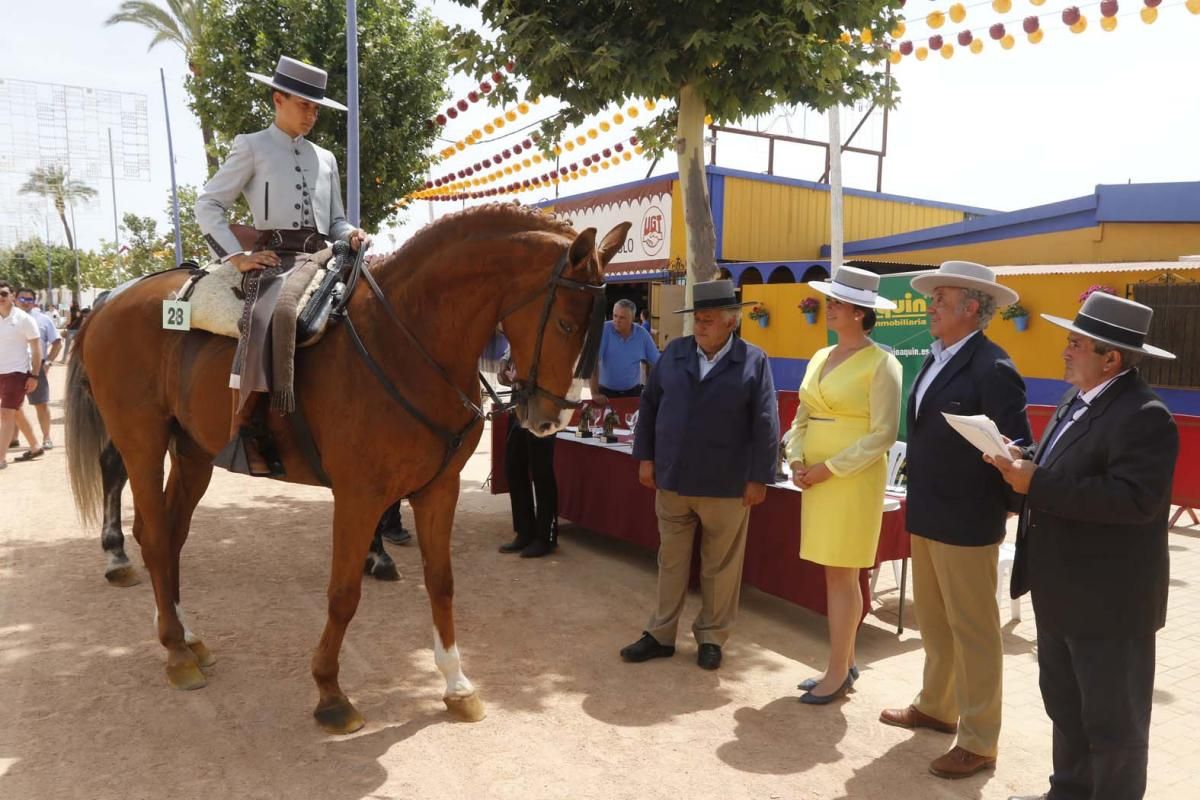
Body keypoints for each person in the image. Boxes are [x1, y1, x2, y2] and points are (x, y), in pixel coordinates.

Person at [988, 293, 1178, 800]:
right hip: (1061, 593)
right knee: (1067, 710)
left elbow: (1134, 501)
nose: (1065, 351)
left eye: (1076, 343)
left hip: (1110, 606)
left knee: (1114, 729)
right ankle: (1067, 792)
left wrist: (1038, 482)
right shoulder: (1078, 400)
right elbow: (1061, 464)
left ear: (1111, 358)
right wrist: (1018, 457)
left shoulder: (1145, 415)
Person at [879, 261, 1031, 780]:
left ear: (972, 307)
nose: (930, 306)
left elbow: (1019, 446)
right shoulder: (934, 357)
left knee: (975, 632)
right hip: (928, 509)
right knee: (935, 622)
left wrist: (1007, 470)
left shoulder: (993, 367)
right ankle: (937, 707)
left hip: (968, 519)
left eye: (940, 299)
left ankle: (980, 740)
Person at [196, 55, 369, 476]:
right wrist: (237, 258)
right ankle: (247, 425)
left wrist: (350, 234)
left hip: (324, 253)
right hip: (275, 256)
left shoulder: (325, 157)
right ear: (278, 99)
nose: (312, 114)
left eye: (316, 108)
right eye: (304, 104)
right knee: (275, 312)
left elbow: (335, 220)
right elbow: (209, 203)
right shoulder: (251, 145)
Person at [620, 279, 779, 670]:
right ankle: (660, 634)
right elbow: (650, 405)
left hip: (726, 485)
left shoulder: (753, 360)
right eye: (697, 319)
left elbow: (766, 422)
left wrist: (760, 476)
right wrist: (645, 457)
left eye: (708, 320)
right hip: (673, 479)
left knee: (720, 567)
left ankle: (711, 637)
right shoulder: (674, 353)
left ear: (731, 321)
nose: (700, 326)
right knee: (670, 561)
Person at [785, 267, 902, 704]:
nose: (829, 307)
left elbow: (883, 434)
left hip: (850, 481)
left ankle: (838, 671)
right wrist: (794, 457)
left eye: (836, 302)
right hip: (816, 478)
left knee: (843, 574)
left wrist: (829, 468)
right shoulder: (820, 356)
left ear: (859, 312)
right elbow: (802, 416)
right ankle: (842, 662)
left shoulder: (882, 364)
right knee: (836, 574)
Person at [496, 348, 558, 558]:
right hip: (520, 399)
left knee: (541, 469)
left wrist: (523, 377)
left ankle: (544, 537)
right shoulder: (523, 320)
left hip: (544, 400)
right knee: (514, 465)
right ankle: (524, 531)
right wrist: (505, 366)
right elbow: (511, 350)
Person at [0, 280, 44, 469]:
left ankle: (0, 458)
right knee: (16, 412)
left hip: (17, 373)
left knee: (6, 413)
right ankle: (35, 446)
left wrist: (34, 375)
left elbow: (36, 349)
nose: (0, 297)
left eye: (3, 293)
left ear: (12, 296)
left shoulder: (24, 319)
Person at [15, 288, 62, 449]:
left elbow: (57, 342)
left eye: (29, 300)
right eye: (22, 299)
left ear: (34, 302)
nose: (25, 302)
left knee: (40, 403)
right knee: (12, 405)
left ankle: (46, 437)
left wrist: (48, 362)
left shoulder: (43, 320)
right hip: (12, 367)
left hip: (36, 367)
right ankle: (14, 437)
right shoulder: (7, 319)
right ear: (15, 299)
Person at [590, 298, 659, 403]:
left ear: (632, 319)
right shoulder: (604, 330)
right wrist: (594, 393)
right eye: (615, 316)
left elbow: (658, 362)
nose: (617, 320)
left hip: (633, 392)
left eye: (622, 317)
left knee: (631, 419)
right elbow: (592, 362)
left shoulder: (642, 335)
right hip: (605, 393)